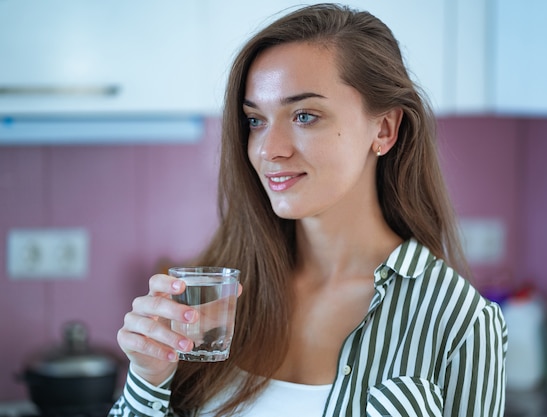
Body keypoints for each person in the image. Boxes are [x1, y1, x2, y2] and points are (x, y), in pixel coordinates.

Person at [109, 3, 507, 417]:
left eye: (304, 115)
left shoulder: (459, 321)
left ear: (385, 129)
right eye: (255, 121)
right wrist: (147, 379)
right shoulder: (216, 297)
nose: (268, 149)